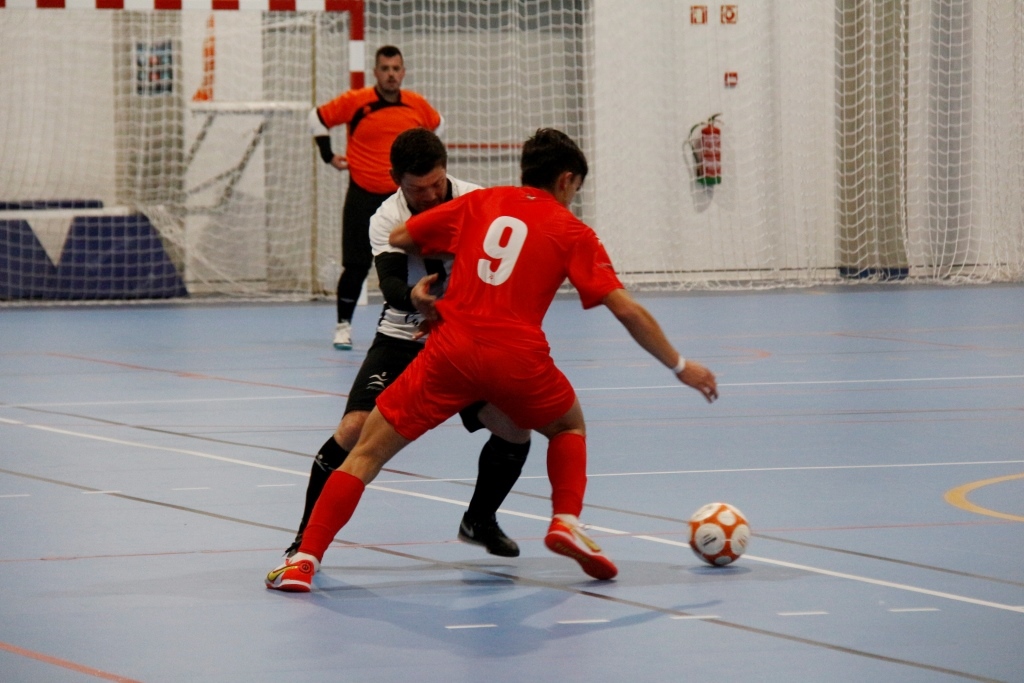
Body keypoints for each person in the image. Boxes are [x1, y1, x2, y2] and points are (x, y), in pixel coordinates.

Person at [266, 128, 718, 592]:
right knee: (567, 426)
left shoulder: (482, 202)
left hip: (450, 347)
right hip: (513, 358)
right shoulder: (573, 231)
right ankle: (566, 520)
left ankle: (305, 559)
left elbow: (403, 236)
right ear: (566, 180)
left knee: (367, 452)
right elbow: (626, 310)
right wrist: (681, 366)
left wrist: (456, 250)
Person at [284, 128, 529, 561]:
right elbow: (393, 284)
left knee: (515, 427)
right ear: (396, 180)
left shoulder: (478, 202)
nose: (431, 195)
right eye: (419, 189)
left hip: (463, 339)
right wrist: (417, 300)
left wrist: (460, 316)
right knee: (354, 429)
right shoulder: (386, 217)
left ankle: (479, 520)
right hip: (403, 334)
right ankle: (305, 540)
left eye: (437, 183)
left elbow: (499, 276)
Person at [310, 45, 443, 350]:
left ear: (403, 72)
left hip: (403, 200)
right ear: (375, 72)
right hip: (363, 194)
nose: (391, 74)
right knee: (356, 265)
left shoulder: (416, 105)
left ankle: (427, 320)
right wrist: (328, 155)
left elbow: (438, 126)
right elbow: (316, 118)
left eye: (396, 69)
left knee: (421, 260)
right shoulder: (356, 102)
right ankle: (343, 326)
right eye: (385, 69)